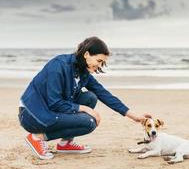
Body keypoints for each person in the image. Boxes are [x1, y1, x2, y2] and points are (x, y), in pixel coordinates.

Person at [18, 37, 151, 160]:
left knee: (90, 97)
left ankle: (65, 143)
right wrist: (84, 109)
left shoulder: (83, 72)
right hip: (32, 114)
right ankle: (37, 137)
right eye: (99, 61)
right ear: (86, 54)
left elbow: (103, 94)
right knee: (89, 122)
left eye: (102, 62)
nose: (100, 65)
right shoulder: (58, 66)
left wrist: (134, 116)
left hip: (50, 110)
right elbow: (55, 103)